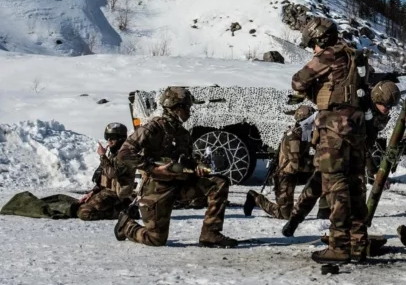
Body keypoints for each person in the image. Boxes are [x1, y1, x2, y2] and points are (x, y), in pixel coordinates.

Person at [113, 87, 238, 248]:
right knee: (156, 239)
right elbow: (124, 153)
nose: (189, 112)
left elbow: (187, 160)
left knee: (218, 183)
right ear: (175, 107)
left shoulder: (183, 134)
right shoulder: (152, 129)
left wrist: (197, 166)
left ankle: (210, 233)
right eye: (186, 108)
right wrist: (152, 168)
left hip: (179, 186)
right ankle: (127, 226)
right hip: (157, 189)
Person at [289, 16, 370, 264]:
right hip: (356, 127)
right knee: (356, 185)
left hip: (334, 127)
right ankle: (358, 244)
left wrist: (312, 88)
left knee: (335, 186)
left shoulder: (329, 54)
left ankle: (339, 246)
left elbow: (298, 81)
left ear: (321, 38)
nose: (313, 48)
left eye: (313, 43)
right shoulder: (354, 54)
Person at [281, 80, 401, 243]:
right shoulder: (357, 105)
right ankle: (295, 219)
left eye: (390, 107)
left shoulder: (373, 113)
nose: (387, 110)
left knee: (352, 195)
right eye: (385, 105)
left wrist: (371, 168)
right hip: (333, 151)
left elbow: (367, 142)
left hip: (353, 155)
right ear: (377, 99)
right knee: (316, 185)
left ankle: (351, 233)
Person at [243, 105, 315, 219]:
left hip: (291, 174)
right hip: (284, 176)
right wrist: (317, 164)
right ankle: (255, 198)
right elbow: (297, 163)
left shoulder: (302, 133)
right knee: (284, 214)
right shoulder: (295, 138)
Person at [77, 123, 135, 220]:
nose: (109, 141)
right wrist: (93, 192)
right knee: (79, 206)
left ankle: (126, 211)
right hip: (108, 191)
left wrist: (102, 156)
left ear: (120, 139)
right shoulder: (114, 153)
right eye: (107, 138)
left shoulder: (126, 155)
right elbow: (104, 177)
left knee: (85, 213)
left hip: (119, 195)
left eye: (112, 138)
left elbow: (112, 174)